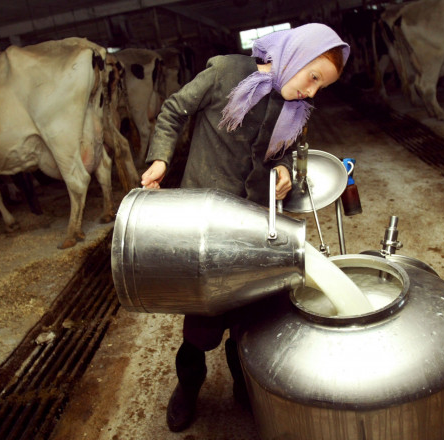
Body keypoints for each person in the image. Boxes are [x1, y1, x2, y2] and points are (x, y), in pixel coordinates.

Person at [140, 22, 350, 432]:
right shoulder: (225, 73)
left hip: (255, 224)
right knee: (200, 326)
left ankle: (244, 387)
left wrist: (286, 171)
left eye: (321, 87)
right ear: (296, 54)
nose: (312, 91)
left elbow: (291, 152)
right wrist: (161, 159)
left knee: (250, 320)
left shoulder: (295, 108)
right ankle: (187, 388)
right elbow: (173, 111)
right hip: (204, 224)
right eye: (312, 77)